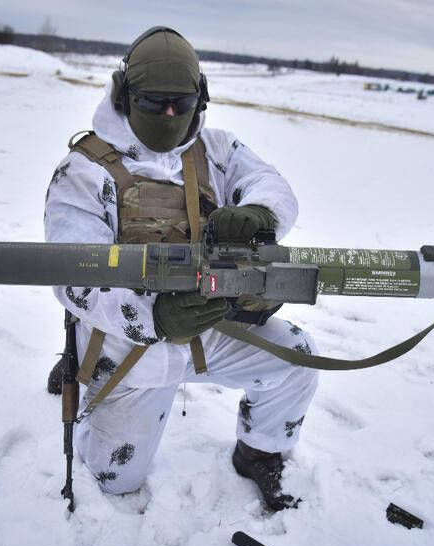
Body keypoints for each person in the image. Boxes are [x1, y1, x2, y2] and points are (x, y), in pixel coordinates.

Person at [44, 26, 318, 511]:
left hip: (211, 327)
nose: (170, 114)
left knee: (298, 360)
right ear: (126, 94)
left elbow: (270, 184)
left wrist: (260, 214)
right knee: (114, 484)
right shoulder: (83, 171)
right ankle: (80, 367)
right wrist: (153, 319)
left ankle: (259, 453)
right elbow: (74, 278)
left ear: (200, 96)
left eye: (181, 102)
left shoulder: (215, 150)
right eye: (154, 102)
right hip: (128, 347)